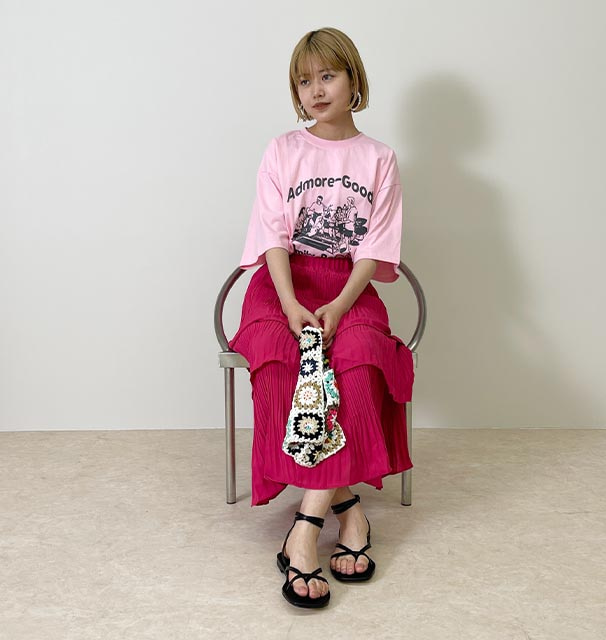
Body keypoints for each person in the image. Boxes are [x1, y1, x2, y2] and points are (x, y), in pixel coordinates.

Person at [229, 27, 414, 609]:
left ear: (353, 78)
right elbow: (272, 235)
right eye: (304, 81)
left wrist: (340, 303)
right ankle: (348, 509)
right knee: (281, 368)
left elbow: (375, 246)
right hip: (281, 284)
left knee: (356, 366)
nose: (315, 89)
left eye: (327, 75)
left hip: (348, 287)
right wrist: (288, 303)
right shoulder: (282, 149)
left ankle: (304, 530)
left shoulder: (379, 158)